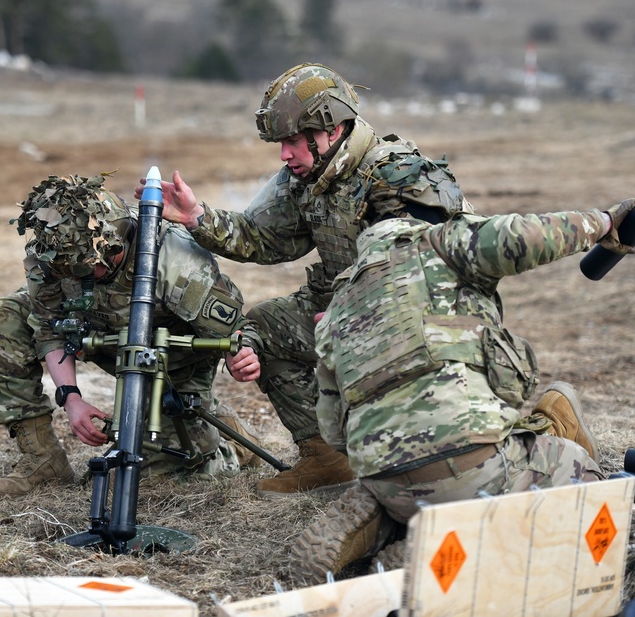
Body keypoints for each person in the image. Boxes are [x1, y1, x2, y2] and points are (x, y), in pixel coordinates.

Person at [136, 63, 472, 498]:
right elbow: (262, 237)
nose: (285, 155)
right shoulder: (306, 177)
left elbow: (448, 273)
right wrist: (198, 218)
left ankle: (534, 426)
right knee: (265, 329)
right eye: (281, 144)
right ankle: (326, 458)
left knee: (437, 460)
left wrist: (353, 324)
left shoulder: (402, 177)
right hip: (343, 308)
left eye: (293, 141)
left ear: (331, 128)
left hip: (425, 323)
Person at [285, 196, 635, 584]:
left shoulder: (337, 306)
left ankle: (384, 517)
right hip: (470, 466)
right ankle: (454, 543)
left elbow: (335, 432)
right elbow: (527, 236)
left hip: (384, 476)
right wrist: (602, 222)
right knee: (575, 466)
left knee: (414, 488)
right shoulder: (443, 242)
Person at [0, 174, 263, 499]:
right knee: (1, 317)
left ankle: (230, 441)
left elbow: (234, 334)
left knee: (151, 478)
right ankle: (43, 460)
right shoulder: (52, 254)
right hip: (100, 340)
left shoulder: (177, 264)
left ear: (115, 245)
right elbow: (48, 326)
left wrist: (241, 356)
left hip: (171, 365)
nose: (74, 277)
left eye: (84, 268)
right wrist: (71, 398)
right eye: (65, 269)